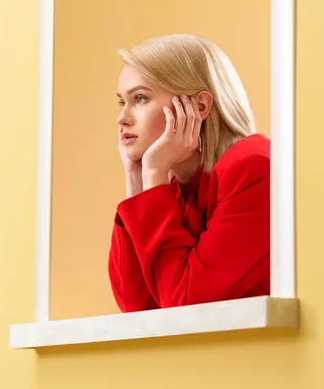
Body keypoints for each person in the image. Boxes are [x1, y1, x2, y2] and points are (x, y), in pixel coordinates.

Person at [108, 34, 270, 313]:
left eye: (140, 98)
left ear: (199, 107)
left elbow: (184, 306)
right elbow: (138, 308)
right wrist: (136, 179)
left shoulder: (254, 170)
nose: (122, 118)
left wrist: (155, 172)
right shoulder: (182, 191)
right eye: (123, 102)